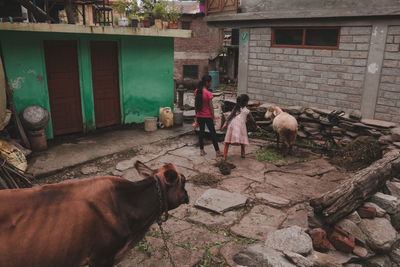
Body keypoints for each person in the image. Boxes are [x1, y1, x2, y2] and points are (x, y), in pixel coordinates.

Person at [221, 94, 259, 160]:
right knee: (242, 140)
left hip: (232, 125)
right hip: (241, 127)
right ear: (245, 102)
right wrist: (256, 126)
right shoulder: (247, 111)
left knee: (227, 141)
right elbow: (252, 120)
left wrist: (225, 122)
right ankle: (243, 154)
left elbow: (230, 115)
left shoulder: (236, 108)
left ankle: (224, 155)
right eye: (247, 101)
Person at [195, 75, 223, 157]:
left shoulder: (197, 91)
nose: (211, 83)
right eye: (210, 82)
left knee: (201, 133)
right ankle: (217, 152)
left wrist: (196, 115)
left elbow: (196, 105)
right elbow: (211, 108)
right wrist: (213, 118)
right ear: (207, 83)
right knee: (213, 133)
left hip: (199, 116)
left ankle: (201, 151)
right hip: (207, 117)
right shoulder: (208, 93)